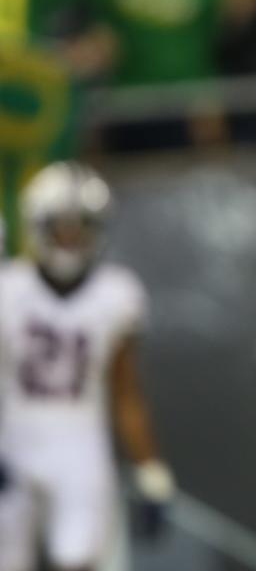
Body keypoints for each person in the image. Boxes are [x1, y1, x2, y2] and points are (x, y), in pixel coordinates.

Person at [0, 162, 175, 571]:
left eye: (80, 226)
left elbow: (126, 391)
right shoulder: (9, 288)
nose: (71, 238)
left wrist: (151, 472)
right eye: (61, 226)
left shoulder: (117, 294)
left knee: (80, 561)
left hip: (81, 445)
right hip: (12, 442)